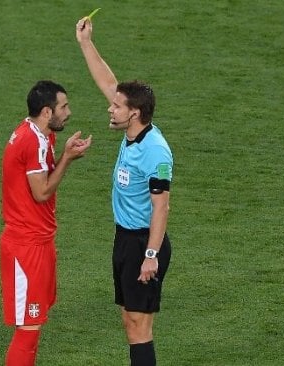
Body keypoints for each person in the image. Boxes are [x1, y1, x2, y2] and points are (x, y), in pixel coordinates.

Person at [76, 18, 173, 366]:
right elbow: (108, 82)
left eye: (117, 106)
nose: (110, 107)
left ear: (134, 113)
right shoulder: (133, 131)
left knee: (138, 326)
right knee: (130, 322)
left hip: (144, 242)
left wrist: (151, 255)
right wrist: (86, 43)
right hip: (125, 238)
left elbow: (161, 208)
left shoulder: (155, 151)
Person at [0, 80, 92, 366]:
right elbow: (41, 192)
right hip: (26, 247)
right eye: (63, 107)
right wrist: (67, 158)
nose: (68, 112)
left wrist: (62, 152)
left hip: (37, 242)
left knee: (33, 325)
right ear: (46, 111)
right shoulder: (32, 141)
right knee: (28, 330)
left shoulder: (38, 134)